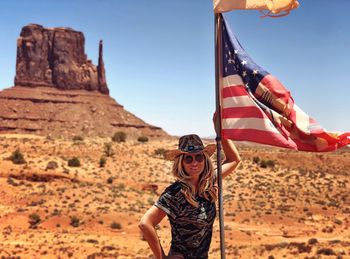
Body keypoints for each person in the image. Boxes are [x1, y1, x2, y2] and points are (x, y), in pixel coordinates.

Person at [139, 120, 241, 258]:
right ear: (181, 162)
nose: (194, 162)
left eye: (199, 157)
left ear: (205, 159)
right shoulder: (175, 193)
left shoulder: (208, 183)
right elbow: (145, 224)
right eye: (188, 159)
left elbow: (234, 159)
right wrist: (162, 258)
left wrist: (221, 131)